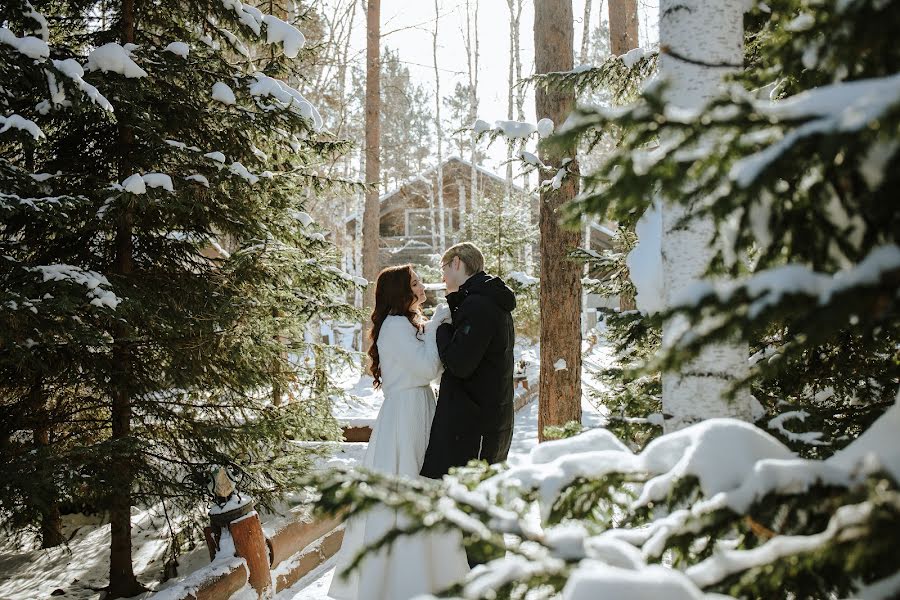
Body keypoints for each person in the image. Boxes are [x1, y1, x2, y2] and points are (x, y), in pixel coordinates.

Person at [328, 264, 469, 600]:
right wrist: (438, 322)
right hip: (405, 415)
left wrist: (432, 324)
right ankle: (402, 580)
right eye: (415, 282)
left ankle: (431, 574)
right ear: (400, 292)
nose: (422, 285)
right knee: (410, 483)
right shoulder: (393, 326)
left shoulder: (406, 323)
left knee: (423, 484)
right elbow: (426, 369)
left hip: (418, 407)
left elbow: (428, 370)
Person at [420, 242, 516, 481]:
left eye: (444, 268)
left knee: (469, 501)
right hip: (481, 421)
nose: (442, 276)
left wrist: (441, 330)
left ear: (456, 263)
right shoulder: (484, 300)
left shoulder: (479, 305)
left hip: (475, 429)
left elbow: (460, 363)